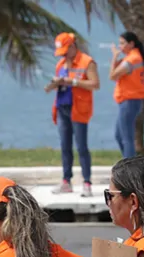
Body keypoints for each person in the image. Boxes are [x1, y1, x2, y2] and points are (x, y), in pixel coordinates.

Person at [44, 33, 99, 196]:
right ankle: (66, 181)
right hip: (62, 107)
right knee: (64, 146)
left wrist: (73, 82)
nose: (63, 55)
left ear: (73, 46)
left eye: (65, 51)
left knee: (82, 146)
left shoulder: (87, 62)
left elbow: (95, 84)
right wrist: (54, 84)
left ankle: (87, 182)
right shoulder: (61, 63)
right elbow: (61, 82)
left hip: (78, 108)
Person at [109, 31, 144, 158]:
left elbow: (113, 75)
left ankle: (130, 166)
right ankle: (128, 162)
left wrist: (114, 56)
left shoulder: (132, 59)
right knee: (119, 135)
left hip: (130, 100)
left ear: (131, 44)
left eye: (122, 43)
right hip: (130, 101)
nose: (120, 46)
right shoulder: (134, 57)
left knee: (126, 137)